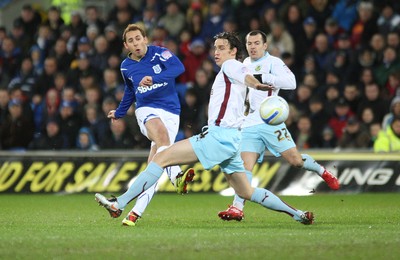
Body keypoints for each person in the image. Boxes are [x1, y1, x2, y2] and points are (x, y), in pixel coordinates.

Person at [96, 31, 315, 225]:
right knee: (246, 191)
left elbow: (245, 76)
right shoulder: (232, 69)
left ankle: (120, 203)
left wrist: (256, 84)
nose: (216, 52)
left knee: (160, 159)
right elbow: (244, 76)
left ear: (234, 51)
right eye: (215, 48)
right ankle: (298, 213)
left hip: (218, 137)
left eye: (221, 48)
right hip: (232, 140)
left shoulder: (231, 65)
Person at [217, 30, 340, 221]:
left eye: (257, 43)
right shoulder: (244, 64)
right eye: (249, 43)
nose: (253, 47)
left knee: (296, 161)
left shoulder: (274, 62)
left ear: (265, 45)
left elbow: (291, 83)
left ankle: (322, 171)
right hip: (249, 124)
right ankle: (237, 208)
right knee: (244, 168)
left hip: (271, 122)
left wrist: (266, 78)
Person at [96, 24, 194, 226]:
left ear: (145, 39)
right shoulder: (125, 66)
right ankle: (176, 176)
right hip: (146, 109)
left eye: (138, 38)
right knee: (161, 135)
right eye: (131, 41)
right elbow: (129, 91)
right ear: (126, 45)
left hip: (171, 111)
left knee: (155, 166)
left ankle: (127, 209)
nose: (136, 43)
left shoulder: (161, 53)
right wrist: (121, 111)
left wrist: (155, 78)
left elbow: (179, 68)